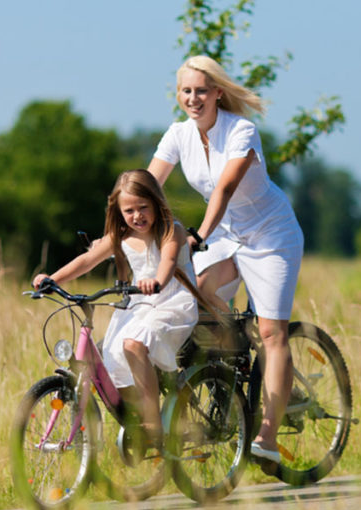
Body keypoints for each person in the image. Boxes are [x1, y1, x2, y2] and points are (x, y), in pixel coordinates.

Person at [147, 55, 304, 468]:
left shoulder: (242, 130)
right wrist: (119, 229)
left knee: (272, 331)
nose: (193, 98)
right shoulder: (178, 134)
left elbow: (226, 188)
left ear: (218, 92)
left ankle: (266, 437)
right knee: (196, 293)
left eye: (201, 90)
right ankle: (234, 365)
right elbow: (146, 185)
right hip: (227, 235)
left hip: (270, 234)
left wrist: (197, 233)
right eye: (186, 91)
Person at [33, 169, 201, 447]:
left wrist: (157, 281)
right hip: (140, 303)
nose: (137, 216)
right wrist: (52, 279)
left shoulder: (173, 230)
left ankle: (153, 424)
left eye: (143, 207)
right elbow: (86, 262)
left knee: (134, 344)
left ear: (157, 203)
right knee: (110, 353)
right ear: (119, 212)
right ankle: (136, 417)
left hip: (172, 301)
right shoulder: (120, 236)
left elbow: (168, 262)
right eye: (129, 210)